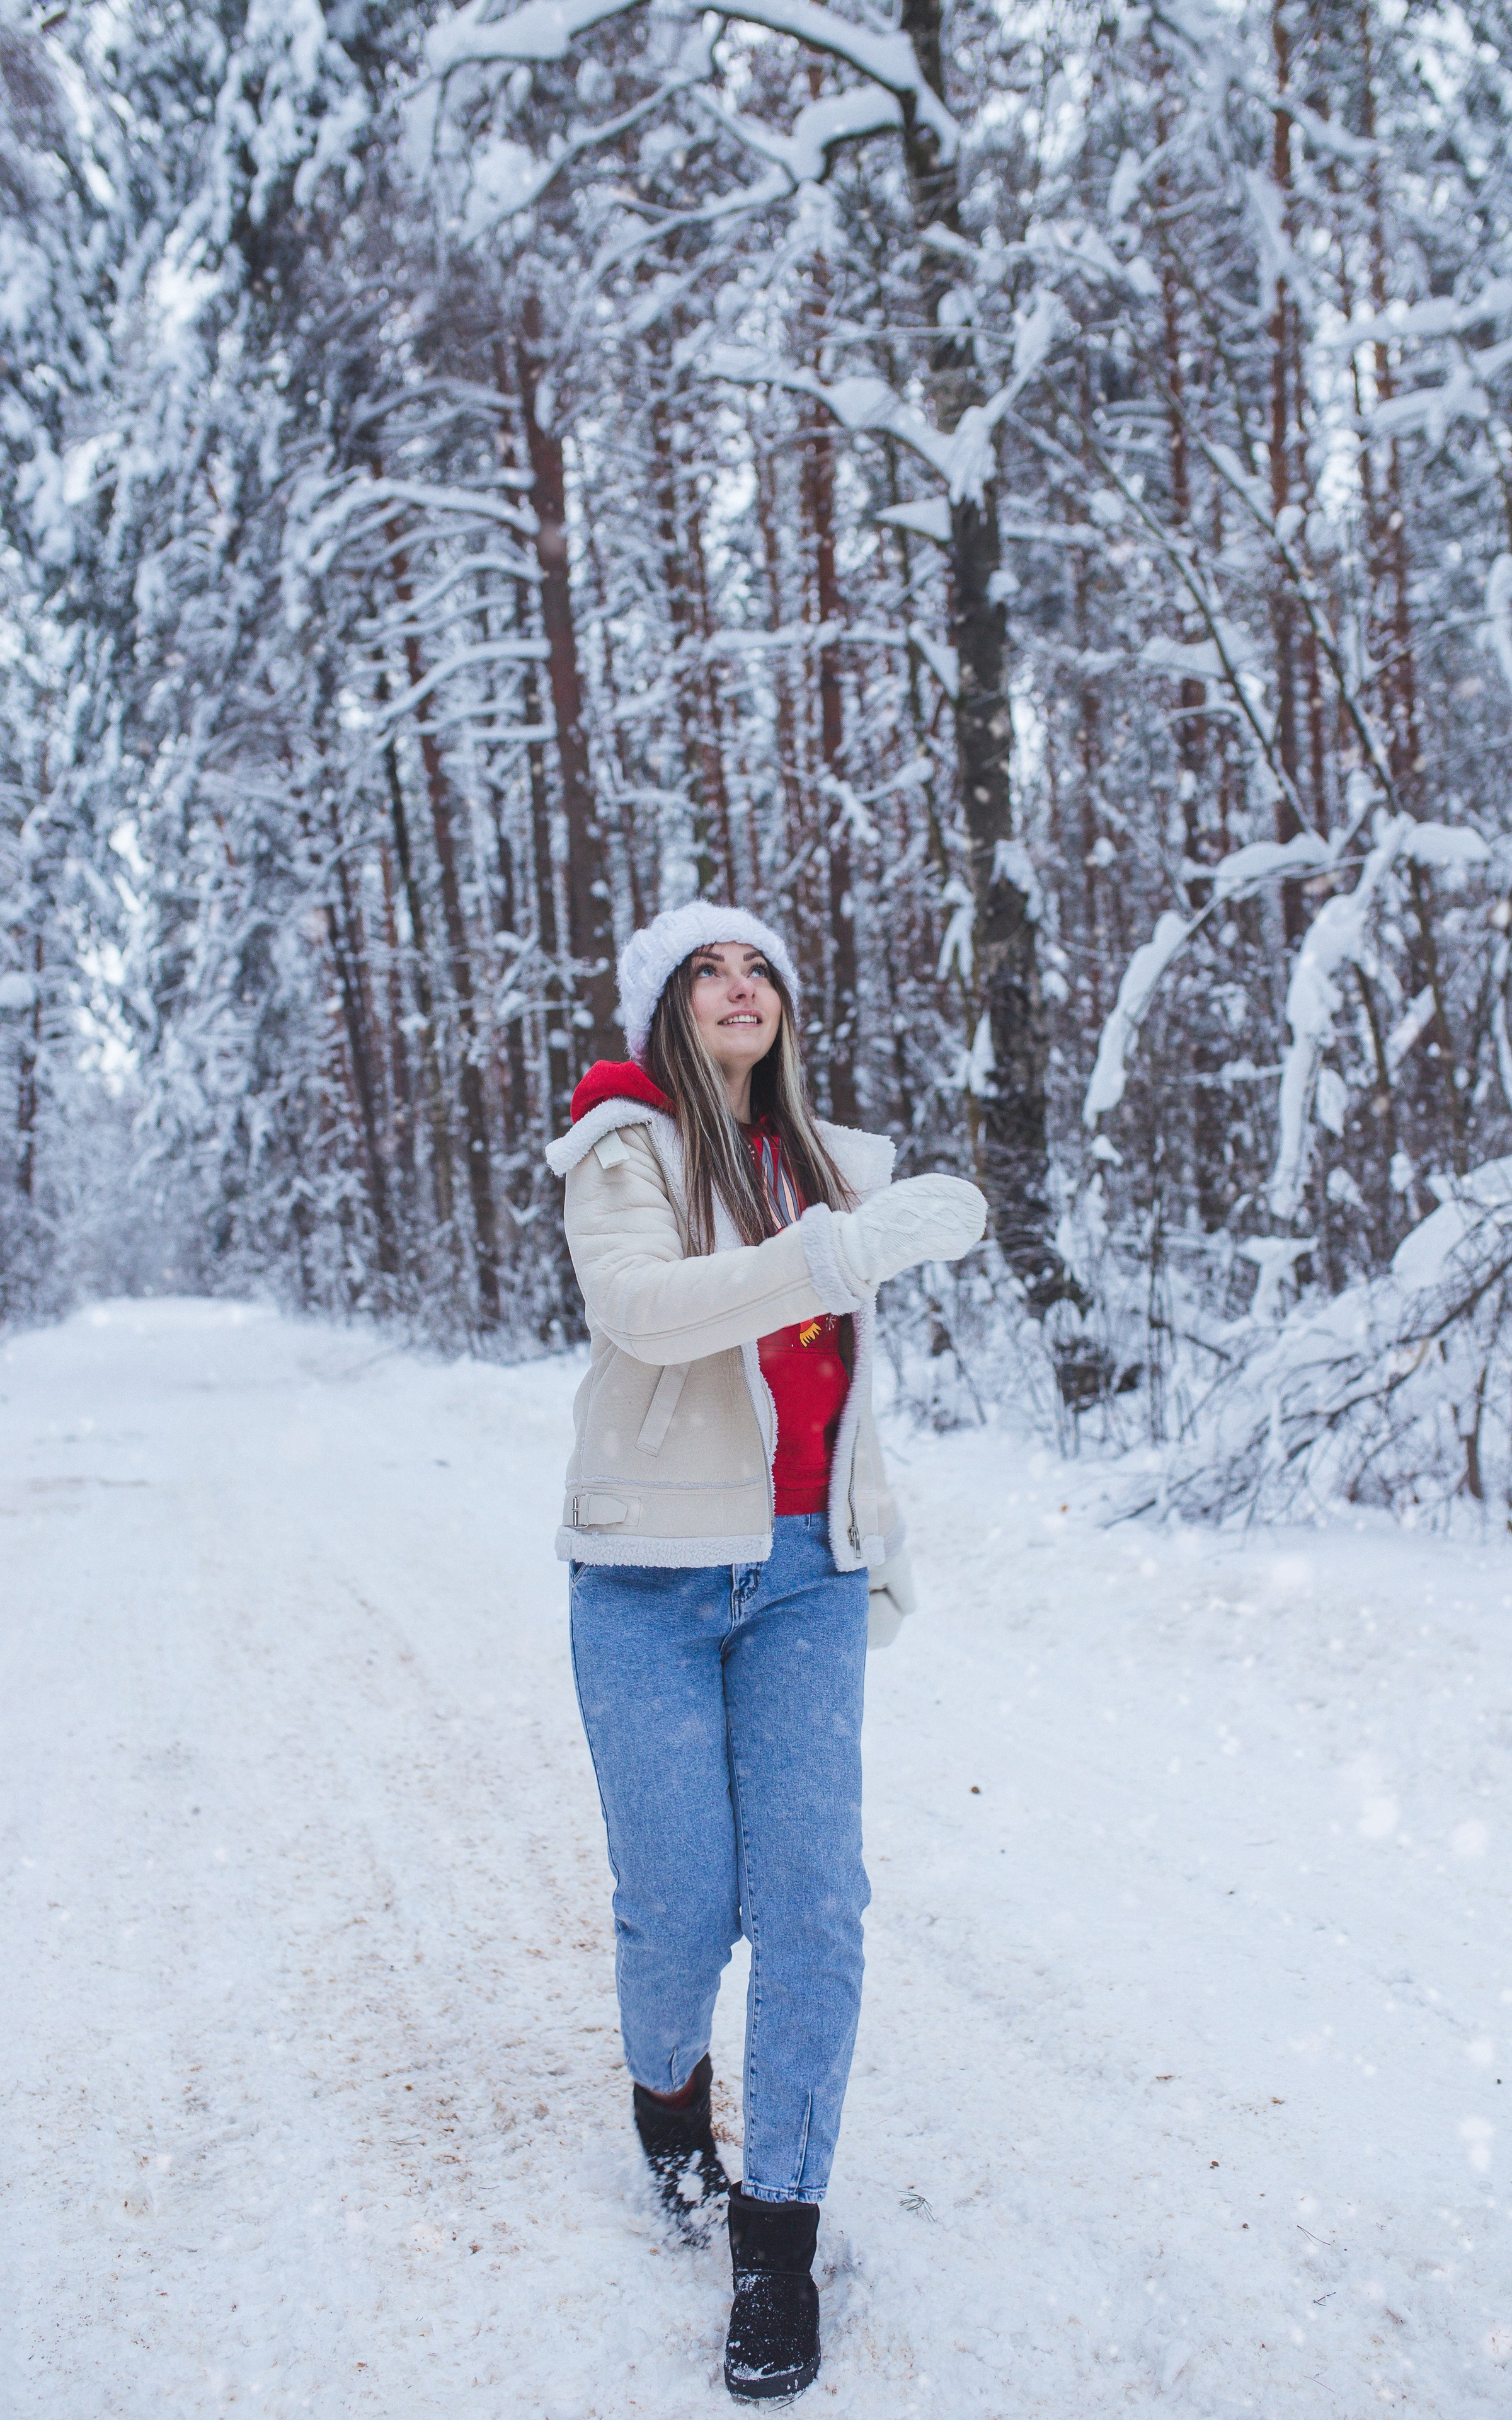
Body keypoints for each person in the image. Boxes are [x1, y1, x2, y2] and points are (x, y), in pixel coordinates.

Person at [546, 902, 987, 2400]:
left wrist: (877, 1540)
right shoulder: (625, 1151)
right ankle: (669, 2108)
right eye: (707, 970)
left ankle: (774, 2244)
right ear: (666, 1005)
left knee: (812, 1906)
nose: (741, 989)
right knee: (679, 1912)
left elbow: (844, 1405)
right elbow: (644, 1312)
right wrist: (832, 1255)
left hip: (803, 1577)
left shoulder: (839, 1167)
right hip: (647, 1580)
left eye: (762, 970)